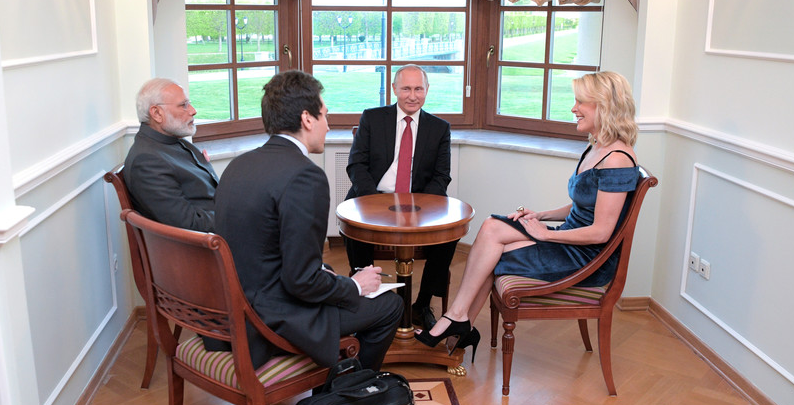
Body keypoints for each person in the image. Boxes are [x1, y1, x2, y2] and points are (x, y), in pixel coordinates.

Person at [415, 71, 641, 363]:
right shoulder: (597, 147)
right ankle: (460, 323)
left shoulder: (618, 160)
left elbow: (601, 232)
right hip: (568, 242)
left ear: (605, 106)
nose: (573, 108)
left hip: (585, 257)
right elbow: (582, 206)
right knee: (492, 228)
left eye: (580, 101)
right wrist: (542, 214)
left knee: (491, 249)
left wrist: (547, 233)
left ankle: (457, 321)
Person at [214, 70, 403, 371]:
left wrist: (335, 279)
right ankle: (346, 394)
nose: (328, 127)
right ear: (306, 119)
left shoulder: (238, 165)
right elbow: (301, 281)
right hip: (270, 320)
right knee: (390, 305)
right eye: (325, 116)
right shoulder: (305, 176)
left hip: (232, 308)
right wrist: (354, 286)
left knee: (335, 278)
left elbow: (272, 253)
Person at [344, 64, 456, 330]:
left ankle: (421, 305)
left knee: (449, 236)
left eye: (418, 88)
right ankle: (370, 300)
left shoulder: (440, 128)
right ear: (394, 89)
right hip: (373, 197)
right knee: (354, 230)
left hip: (419, 203)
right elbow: (356, 166)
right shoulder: (372, 118)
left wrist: (419, 210)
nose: (412, 95)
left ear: (427, 90)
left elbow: (441, 177)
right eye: (406, 88)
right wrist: (374, 204)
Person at [124, 78, 219, 232]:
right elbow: (188, 224)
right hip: (206, 248)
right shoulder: (147, 161)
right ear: (156, 113)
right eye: (184, 105)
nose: (193, 110)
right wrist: (237, 217)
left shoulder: (171, 141)